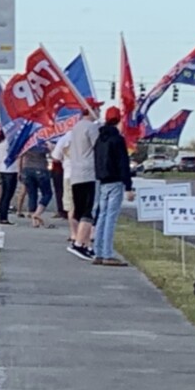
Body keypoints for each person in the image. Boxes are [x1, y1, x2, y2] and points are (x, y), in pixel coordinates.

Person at [91, 107, 135, 266]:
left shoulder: (99, 139)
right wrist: (128, 186)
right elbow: (123, 163)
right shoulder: (117, 139)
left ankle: (98, 251)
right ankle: (108, 253)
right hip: (115, 181)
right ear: (118, 120)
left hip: (102, 181)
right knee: (111, 217)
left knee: (101, 216)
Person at [65, 99, 103, 260]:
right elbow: (99, 148)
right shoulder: (92, 128)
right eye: (98, 109)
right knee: (89, 210)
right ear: (91, 109)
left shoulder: (75, 128)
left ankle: (87, 245)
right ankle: (79, 244)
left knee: (79, 210)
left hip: (76, 174)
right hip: (89, 173)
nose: (99, 112)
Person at [19, 141, 53, 228]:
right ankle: (37, 213)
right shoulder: (43, 142)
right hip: (41, 168)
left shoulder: (27, 141)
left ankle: (34, 221)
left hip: (27, 169)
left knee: (32, 194)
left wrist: (20, 171)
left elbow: (20, 155)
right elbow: (52, 154)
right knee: (47, 193)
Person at [0, 132, 20, 225]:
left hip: (2, 168)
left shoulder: (1, 142)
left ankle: (2, 215)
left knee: (5, 194)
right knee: (7, 194)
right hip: (10, 170)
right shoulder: (9, 143)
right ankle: (3, 217)